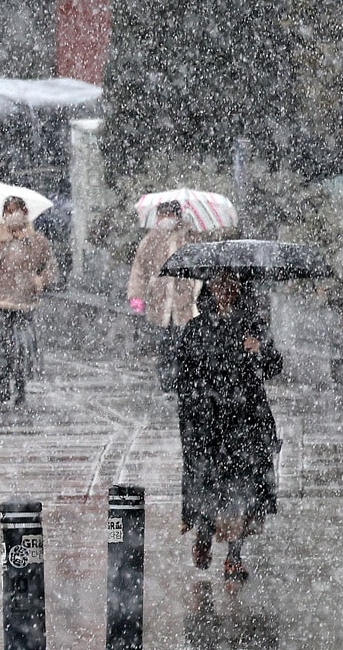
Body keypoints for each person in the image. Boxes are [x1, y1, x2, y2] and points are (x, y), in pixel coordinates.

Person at [176, 270, 283, 586]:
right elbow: (181, 377)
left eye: (231, 283)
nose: (225, 289)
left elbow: (274, 366)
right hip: (209, 422)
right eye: (219, 283)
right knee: (211, 483)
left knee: (244, 488)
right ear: (209, 288)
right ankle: (205, 535)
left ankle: (234, 556)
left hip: (246, 420)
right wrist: (200, 403)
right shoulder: (196, 329)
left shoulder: (253, 325)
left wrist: (258, 350)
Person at [0, 196, 58, 405]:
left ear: (25, 213)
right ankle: (3, 386)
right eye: (8, 211)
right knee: (2, 347)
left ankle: (20, 387)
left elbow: (50, 266)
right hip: (0, 301)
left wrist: (40, 281)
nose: (13, 216)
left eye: (16, 211)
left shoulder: (37, 241)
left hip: (25, 302)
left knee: (22, 346)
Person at [127, 200, 200, 395]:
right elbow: (139, 269)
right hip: (160, 302)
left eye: (169, 214)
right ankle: (168, 384)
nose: (165, 219)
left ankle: (184, 382)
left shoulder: (190, 237)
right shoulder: (152, 239)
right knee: (166, 345)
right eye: (162, 214)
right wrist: (137, 295)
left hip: (186, 302)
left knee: (186, 345)